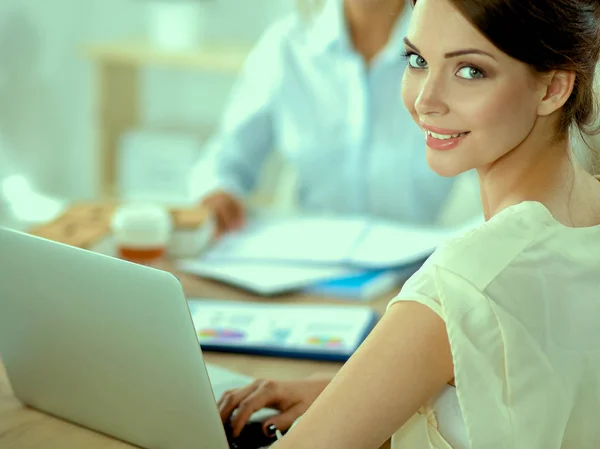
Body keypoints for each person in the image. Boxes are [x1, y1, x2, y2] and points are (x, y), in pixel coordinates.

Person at [215, 0, 600, 448]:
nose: (424, 101)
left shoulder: (460, 282)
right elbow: (542, 388)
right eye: (417, 60)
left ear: (553, 88)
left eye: (470, 71)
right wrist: (355, 392)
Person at [191, 0, 469, 236]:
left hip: (419, 271)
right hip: (307, 268)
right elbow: (225, 159)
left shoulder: (454, 50)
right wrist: (216, 191)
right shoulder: (286, 47)